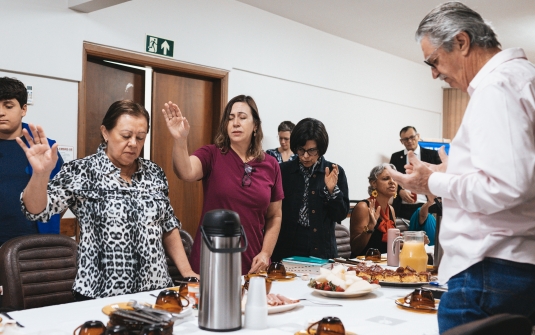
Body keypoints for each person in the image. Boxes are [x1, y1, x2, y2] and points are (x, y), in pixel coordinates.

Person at [386, 2, 535, 333]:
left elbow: (508, 186)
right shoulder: (524, 79)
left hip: (487, 269)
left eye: (434, 61)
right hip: (513, 264)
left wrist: (435, 181)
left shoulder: (496, 88)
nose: (434, 73)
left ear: (463, 42)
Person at [19, 100, 197, 299]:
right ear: (105, 133)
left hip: (154, 291)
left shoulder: (154, 173)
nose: (133, 143)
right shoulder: (81, 171)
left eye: (140, 137)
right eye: (126, 136)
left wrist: (187, 271)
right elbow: (36, 212)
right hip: (99, 294)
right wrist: (40, 174)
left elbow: (168, 225)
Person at [162, 95, 283, 275]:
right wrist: (180, 140)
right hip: (211, 261)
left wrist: (266, 253)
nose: (235, 123)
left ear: (255, 125)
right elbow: (185, 172)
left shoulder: (270, 164)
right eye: (230, 118)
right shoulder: (211, 154)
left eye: (242, 117)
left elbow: (274, 216)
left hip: (252, 265)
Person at [271, 118, 349, 261]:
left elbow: (340, 215)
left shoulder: (334, 171)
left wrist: (332, 191)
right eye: (301, 150)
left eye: (311, 150)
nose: (305, 156)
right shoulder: (283, 171)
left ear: (321, 149)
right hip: (287, 247)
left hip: (322, 249)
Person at [0, 77, 63, 247]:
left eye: (8, 106)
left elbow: (60, 199)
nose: (1, 112)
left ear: (23, 109)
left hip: (34, 245)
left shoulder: (45, 148)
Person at [389, 126, 441, 220]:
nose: (409, 141)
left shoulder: (432, 154)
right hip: (403, 208)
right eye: (405, 139)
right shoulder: (396, 157)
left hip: (427, 205)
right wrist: (399, 191)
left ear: (418, 136)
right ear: (401, 141)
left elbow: (440, 177)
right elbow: (391, 178)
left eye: (412, 137)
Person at [349, 164, 397, 257]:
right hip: (363, 265)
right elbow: (356, 248)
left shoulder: (391, 209)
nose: (392, 182)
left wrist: (415, 241)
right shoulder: (363, 207)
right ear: (373, 183)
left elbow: (389, 245)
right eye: (386, 178)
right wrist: (370, 227)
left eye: (395, 179)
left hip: (384, 264)